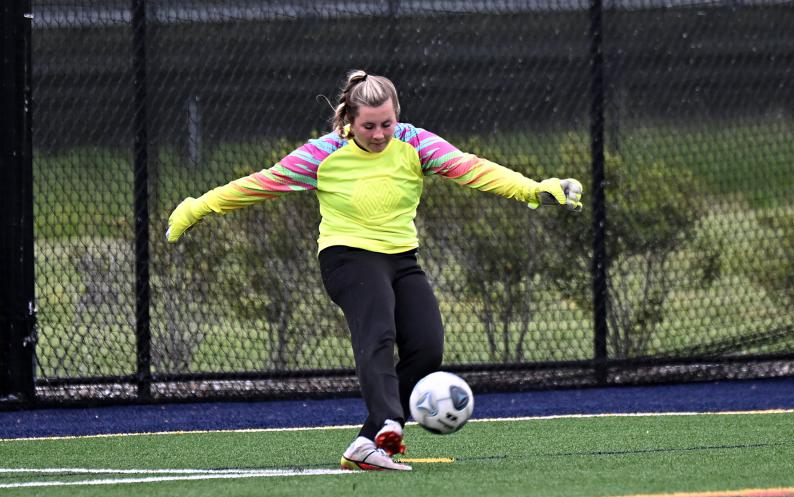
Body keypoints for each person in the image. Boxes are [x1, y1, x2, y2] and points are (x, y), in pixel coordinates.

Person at [166, 70, 583, 472]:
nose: (380, 134)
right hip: (346, 257)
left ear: (397, 115)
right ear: (349, 121)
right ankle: (388, 423)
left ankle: (366, 445)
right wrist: (197, 207)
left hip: (401, 259)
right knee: (378, 331)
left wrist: (534, 189)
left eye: (387, 123)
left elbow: (473, 168)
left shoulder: (415, 143)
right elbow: (260, 183)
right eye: (369, 126)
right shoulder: (322, 154)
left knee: (426, 347)